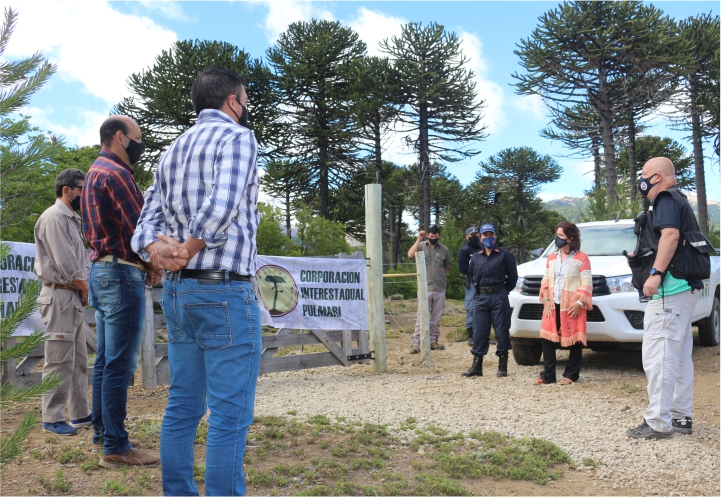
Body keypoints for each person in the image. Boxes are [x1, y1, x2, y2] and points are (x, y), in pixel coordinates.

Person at [131, 66, 262, 496]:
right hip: (223, 286)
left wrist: (155, 248)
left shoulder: (173, 149)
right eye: (245, 100)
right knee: (230, 414)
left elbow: (144, 220)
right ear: (232, 102)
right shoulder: (238, 138)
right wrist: (191, 245)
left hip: (178, 292)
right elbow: (223, 201)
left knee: (183, 405)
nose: (246, 108)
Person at [81, 115, 161, 467]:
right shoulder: (118, 175)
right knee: (120, 364)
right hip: (121, 271)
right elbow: (138, 227)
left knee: (105, 361)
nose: (140, 144)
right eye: (137, 137)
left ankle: (102, 432)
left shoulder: (92, 174)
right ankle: (115, 445)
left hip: (100, 269)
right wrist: (154, 264)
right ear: (120, 137)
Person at [626, 157, 707, 439]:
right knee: (681, 357)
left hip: (669, 293)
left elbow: (670, 236)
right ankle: (680, 416)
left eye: (645, 174)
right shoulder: (680, 199)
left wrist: (656, 273)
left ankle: (658, 423)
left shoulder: (664, 198)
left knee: (659, 356)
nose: (642, 179)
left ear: (658, 177)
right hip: (685, 290)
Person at [33, 169, 92, 436]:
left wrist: (84, 289)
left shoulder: (72, 219)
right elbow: (67, 264)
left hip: (72, 295)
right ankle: (52, 417)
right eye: (82, 188)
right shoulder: (55, 218)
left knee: (79, 359)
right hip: (60, 295)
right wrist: (87, 289)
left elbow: (80, 262)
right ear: (67, 190)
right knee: (58, 360)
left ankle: (80, 414)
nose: (85, 193)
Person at [535, 222, 592, 385]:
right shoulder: (552, 258)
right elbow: (545, 280)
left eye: (560, 236)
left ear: (570, 238)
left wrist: (580, 303)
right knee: (547, 338)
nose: (557, 239)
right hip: (553, 303)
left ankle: (571, 374)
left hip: (573, 305)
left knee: (575, 340)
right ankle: (548, 375)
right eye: (557, 235)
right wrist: (546, 300)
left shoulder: (582, 258)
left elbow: (587, 283)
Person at [462, 223, 517, 378]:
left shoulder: (505, 255)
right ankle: (477, 366)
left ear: (495, 236)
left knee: (501, 330)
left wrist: (502, 291)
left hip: (499, 296)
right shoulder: (476, 257)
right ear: (480, 237)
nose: (488, 238)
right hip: (480, 298)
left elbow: (513, 277)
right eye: (485, 235)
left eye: (491, 235)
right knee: (479, 331)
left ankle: (502, 365)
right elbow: (472, 275)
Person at [407, 225, 451, 353]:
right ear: (427, 235)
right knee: (421, 316)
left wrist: (438, 275)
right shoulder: (420, 246)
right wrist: (418, 239)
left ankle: (433, 341)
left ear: (439, 236)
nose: (433, 239)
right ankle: (416, 343)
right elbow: (410, 255)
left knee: (436, 318)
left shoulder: (444, 250)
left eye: (435, 237)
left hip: (439, 287)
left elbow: (447, 267)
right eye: (431, 237)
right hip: (424, 288)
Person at [458, 226, 481, 346]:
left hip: (483, 282)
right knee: (471, 308)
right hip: (471, 282)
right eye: (472, 235)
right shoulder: (464, 250)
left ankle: (483, 335)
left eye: (476, 234)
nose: (474, 236)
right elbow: (462, 267)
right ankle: (471, 335)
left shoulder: (483, 248)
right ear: (467, 237)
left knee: (484, 308)